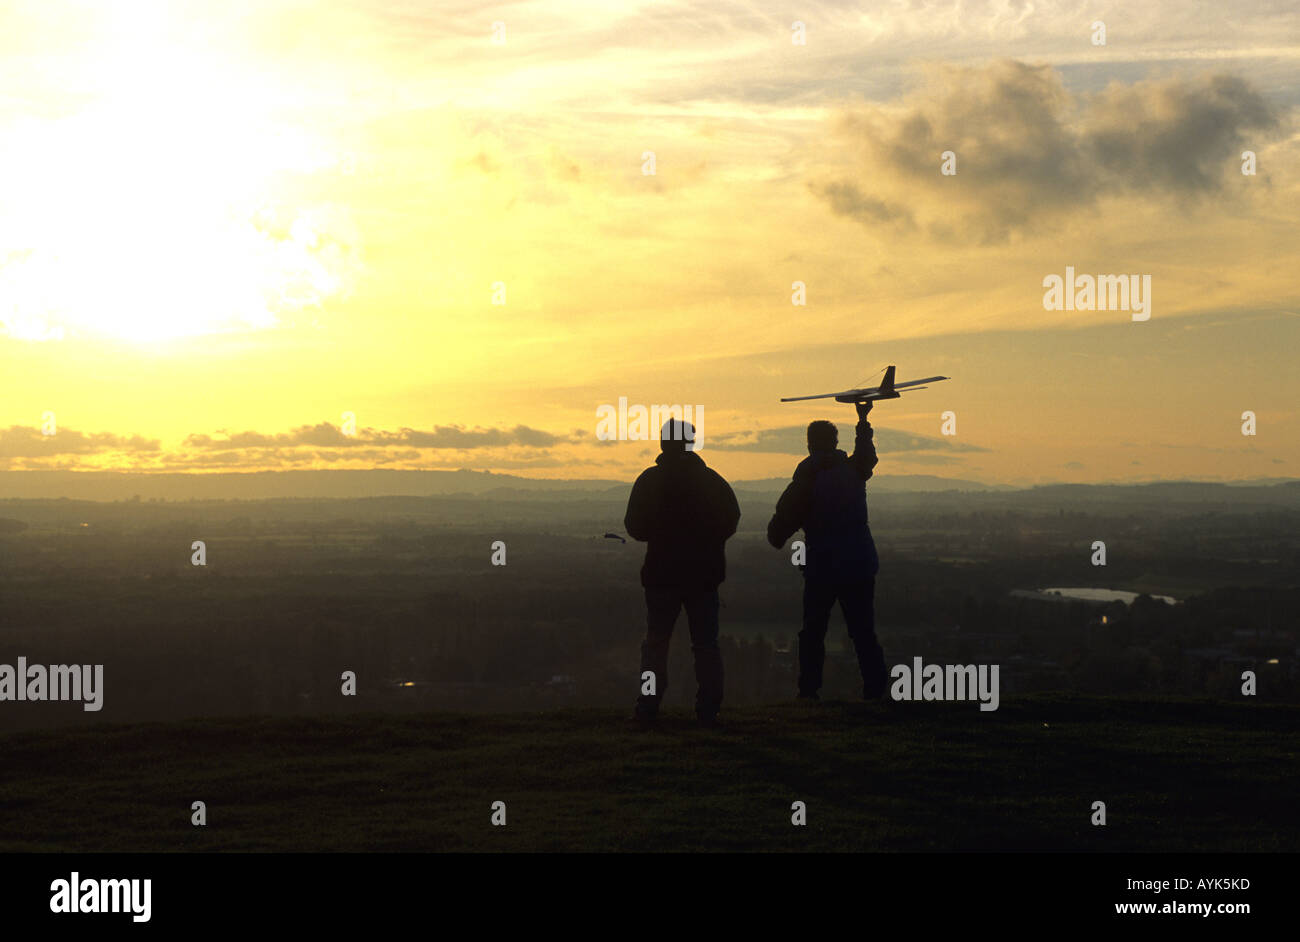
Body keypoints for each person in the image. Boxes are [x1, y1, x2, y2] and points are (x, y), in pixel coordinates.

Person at [766, 400, 887, 700]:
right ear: (835, 443)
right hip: (860, 562)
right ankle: (875, 690)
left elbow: (777, 532)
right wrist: (862, 421)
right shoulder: (853, 469)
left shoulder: (805, 480)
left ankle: (809, 692)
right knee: (863, 631)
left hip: (822, 567)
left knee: (813, 632)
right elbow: (867, 456)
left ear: (809, 446)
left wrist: (784, 533)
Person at [624, 419, 740, 727]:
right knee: (706, 645)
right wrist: (709, 541)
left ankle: (647, 708)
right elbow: (731, 519)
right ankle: (708, 711)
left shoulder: (650, 481)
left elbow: (634, 526)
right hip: (704, 577)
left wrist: (661, 534)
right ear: (691, 443)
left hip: (661, 576)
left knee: (655, 645)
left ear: (663, 444)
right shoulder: (712, 481)